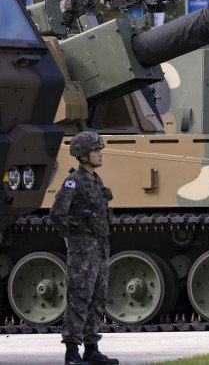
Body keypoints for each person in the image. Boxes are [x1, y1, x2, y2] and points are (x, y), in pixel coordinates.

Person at [49, 131, 118, 365]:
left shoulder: (96, 180)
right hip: (82, 251)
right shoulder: (74, 181)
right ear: (82, 155)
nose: (100, 153)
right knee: (79, 299)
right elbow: (57, 214)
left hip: (100, 249)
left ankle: (91, 349)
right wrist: (76, 233)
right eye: (96, 150)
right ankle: (71, 353)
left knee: (97, 299)